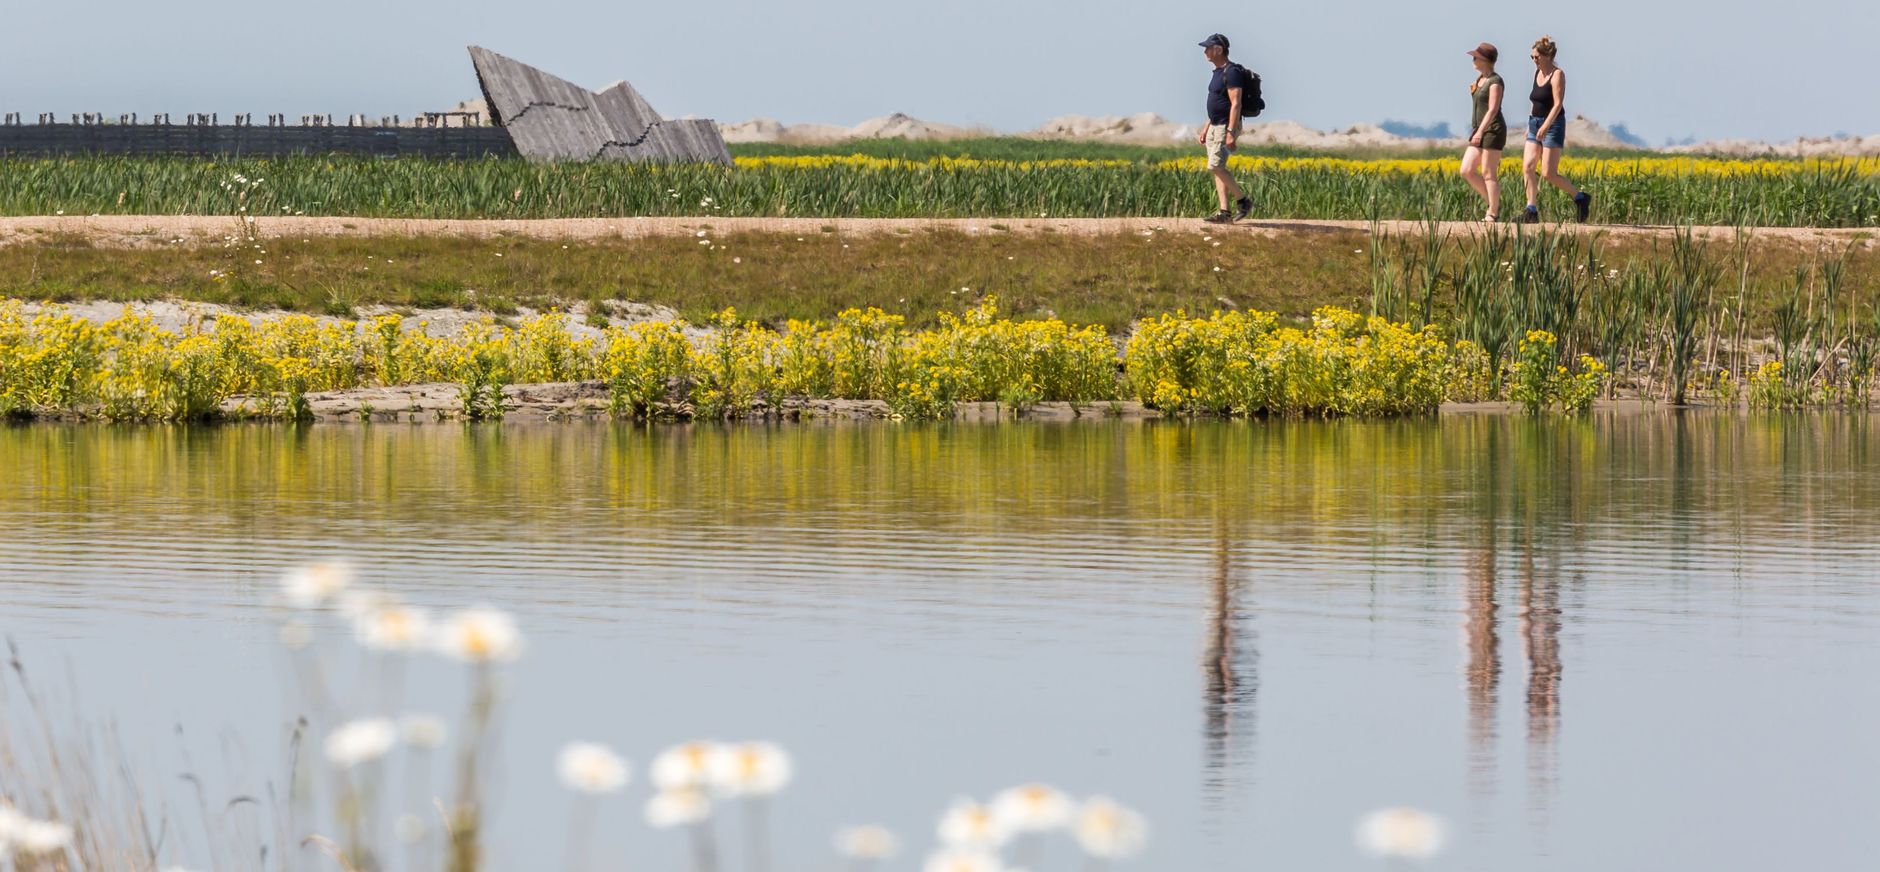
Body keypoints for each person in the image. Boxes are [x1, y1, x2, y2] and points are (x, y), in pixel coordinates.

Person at [1521, 36, 1593, 223]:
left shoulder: (1557, 74)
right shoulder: (1536, 74)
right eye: (1532, 57)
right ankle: (1531, 210)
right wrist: (1529, 124)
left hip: (1553, 125)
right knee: (1528, 166)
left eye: (1536, 57)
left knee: (1548, 173)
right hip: (1534, 123)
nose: (1534, 60)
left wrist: (1545, 126)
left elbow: (1557, 103)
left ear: (1547, 56)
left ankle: (1580, 197)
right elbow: (1534, 101)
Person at [1197, 33, 1254, 224]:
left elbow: (1235, 104)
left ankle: (1243, 201)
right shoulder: (1217, 73)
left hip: (1225, 127)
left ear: (1218, 50)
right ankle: (1224, 212)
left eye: (1208, 47)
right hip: (1214, 125)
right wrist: (1206, 128)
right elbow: (1216, 103)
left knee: (1215, 165)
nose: (1205, 51)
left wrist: (1231, 132)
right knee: (1217, 169)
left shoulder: (1232, 72)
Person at [1459, 43, 1507, 222]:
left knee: (1489, 172)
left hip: (1492, 130)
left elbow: (1493, 109)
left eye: (1476, 57)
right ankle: (1493, 203)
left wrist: (1480, 131)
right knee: (1466, 170)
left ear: (1485, 60)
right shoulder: (1480, 80)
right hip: (1478, 129)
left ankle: (1493, 213)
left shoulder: (1495, 81)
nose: (1473, 60)